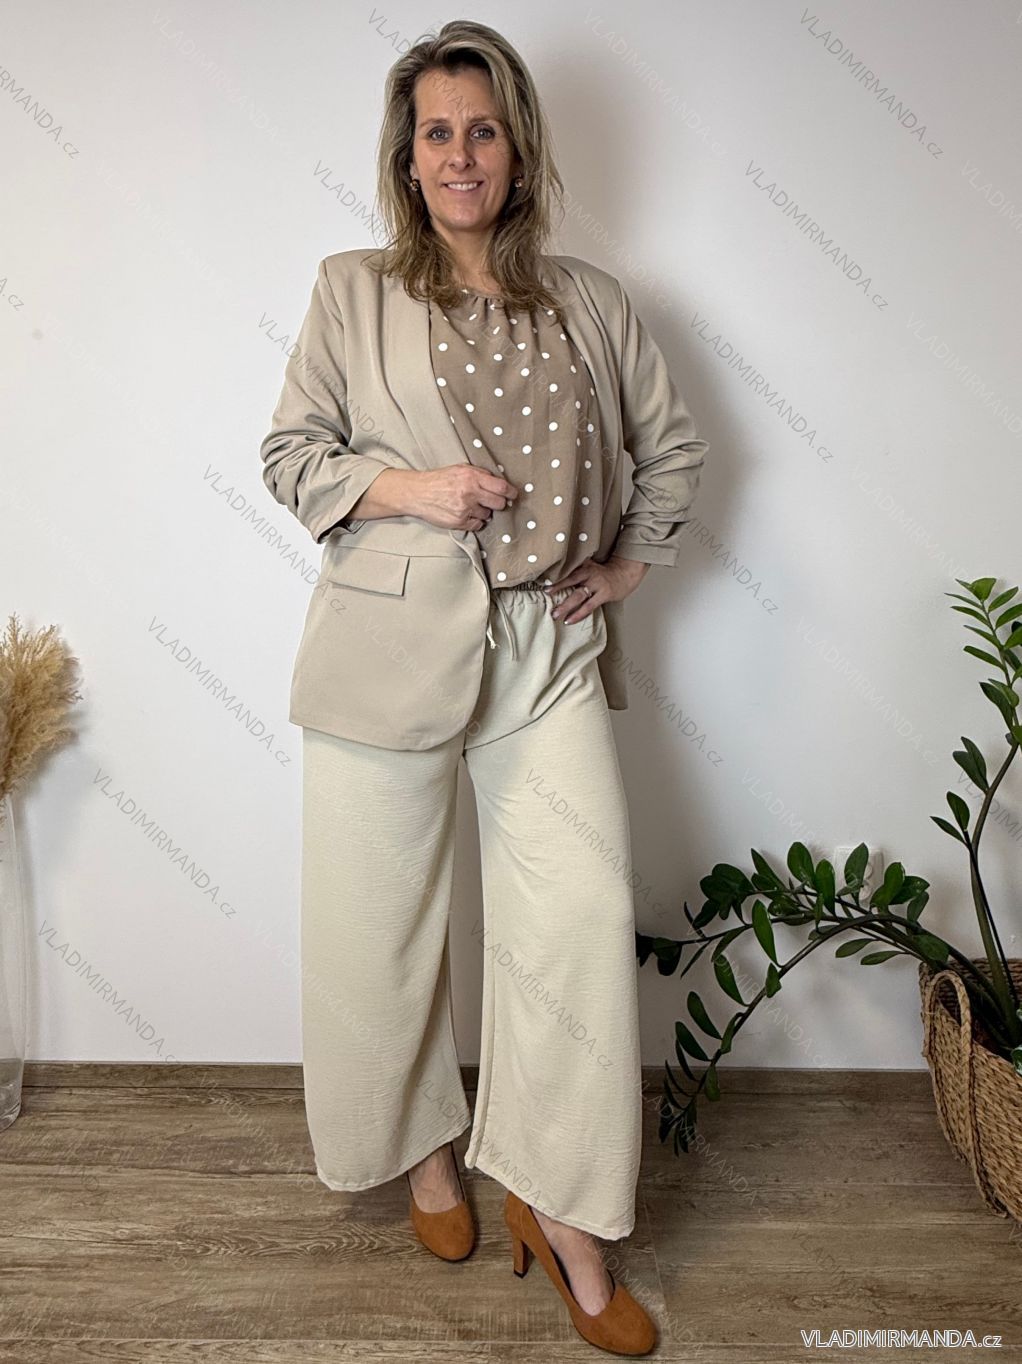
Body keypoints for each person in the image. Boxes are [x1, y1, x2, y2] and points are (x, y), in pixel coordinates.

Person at [260, 19, 708, 1357]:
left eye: (484, 129)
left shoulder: (592, 300)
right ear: (407, 156)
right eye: (437, 132)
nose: (461, 154)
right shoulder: (351, 289)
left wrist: (626, 568)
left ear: (519, 148)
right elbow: (291, 456)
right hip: (387, 645)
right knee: (378, 924)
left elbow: (671, 449)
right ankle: (425, 1157)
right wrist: (411, 489)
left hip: (545, 650)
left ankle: (565, 1211)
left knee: (574, 920)